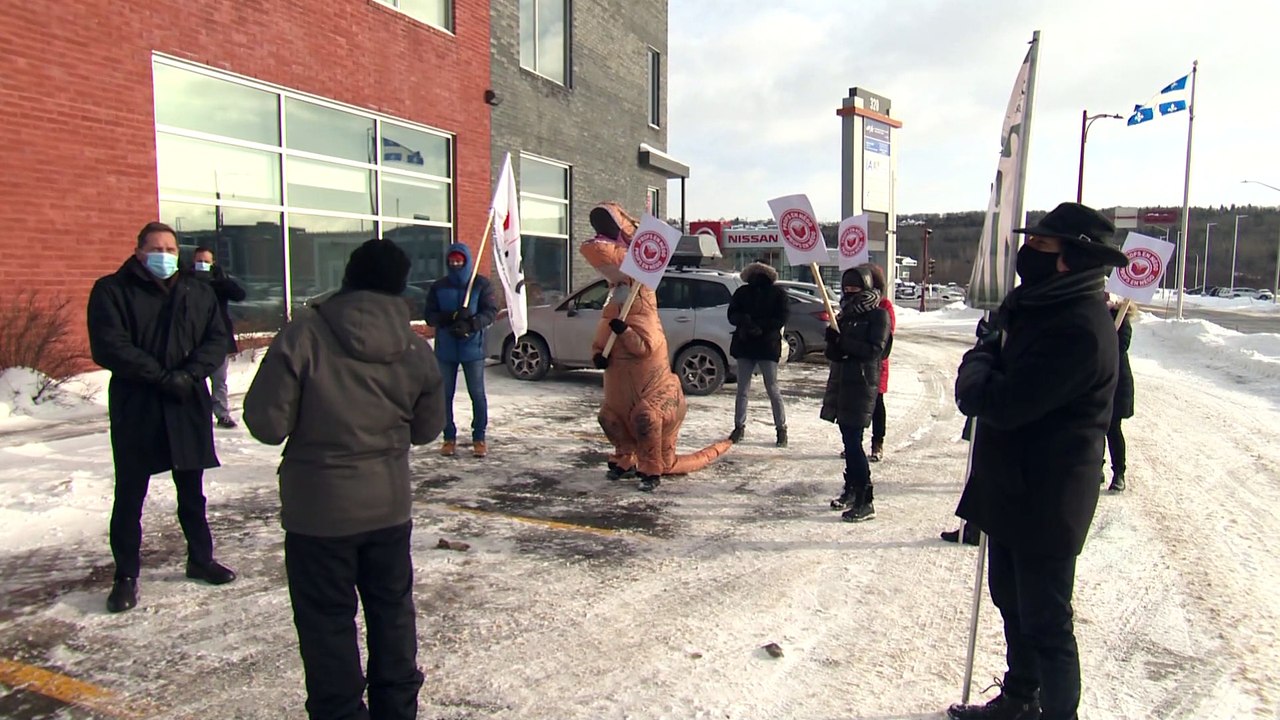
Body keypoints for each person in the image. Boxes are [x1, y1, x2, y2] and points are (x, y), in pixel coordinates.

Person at [243, 238, 444, 720]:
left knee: (327, 625)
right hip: (388, 508)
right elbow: (427, 429)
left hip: (318, 513)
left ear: (348, 278)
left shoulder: (303, 334)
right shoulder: (416, 349)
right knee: (392, 616)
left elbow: (266, 424)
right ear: (399, 286)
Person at [946, 202, 1128, 720]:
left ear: (1070, 259)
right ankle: (1021, 697)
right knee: (1011, 602)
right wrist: (991, 351)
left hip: (1048, 496)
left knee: (1047, 620)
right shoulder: (1039, 307)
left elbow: (997, 400)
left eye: (1042, 247)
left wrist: (979, 358)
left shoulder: (1080, 328)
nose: (1028, 253)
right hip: (1011, 485)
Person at [86, 221, 237, 614]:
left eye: (171, 250)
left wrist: (188, 375)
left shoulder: (197, 291)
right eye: (157, 249)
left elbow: (216, 339)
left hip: (186, 399)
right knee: (130, 494)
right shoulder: (112, 290)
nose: (165, 256)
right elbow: (109, 345)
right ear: (138, 252)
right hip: (138, 403)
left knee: (192, 491)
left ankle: (200, 559)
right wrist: (159, 376)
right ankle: (126, 575)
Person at [820, 266, 890, 522]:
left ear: (867, 288)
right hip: (841, 383)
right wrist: (833, 343)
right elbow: (836, 354)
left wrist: (845, 344)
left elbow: (874, 350)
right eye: (847, 288)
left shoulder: (878, 315)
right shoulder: (844, 315)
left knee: (853, 442)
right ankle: (851, 488)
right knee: (848, 440)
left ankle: (865, 497)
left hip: (861, 384)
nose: (850, 292)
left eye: (856, 288)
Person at [425, 243, 497, 458]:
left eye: (459, 261)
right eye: (452, 261)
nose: (455, 264)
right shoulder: (439, 287)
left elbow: (491, 311)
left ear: (466, 261)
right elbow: (430, 314)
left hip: (472, 348)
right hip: (446, 349)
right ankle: (449, 437)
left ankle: (479, 437)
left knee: (477, 394)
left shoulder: (480, 284)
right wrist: (449, 318)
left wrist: (471, 323)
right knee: (445, 395)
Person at [726, 259, 790, 447]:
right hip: (766, 344)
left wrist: (748, 323)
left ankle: (739, 427)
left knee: (743, 389)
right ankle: (781, 430)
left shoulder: (742, 292)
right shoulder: (778, 293)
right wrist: (760, 326)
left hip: (748, 342)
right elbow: (782, 318)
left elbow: (732, 315)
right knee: (772, 388)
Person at [192, 246, 246, 429]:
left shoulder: (219, 283)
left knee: (219, 379)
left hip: (217, 338)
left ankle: (222, 414)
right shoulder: (186, 281)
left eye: (206, 262)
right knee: (194, 379)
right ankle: (196, 415)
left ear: (213, 263)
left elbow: (239, 295)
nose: (202, 265)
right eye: (199, 261)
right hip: (192, 338)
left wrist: (223, 281)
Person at [863, 263, 896, 462]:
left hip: (876, 362)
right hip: (855, 362)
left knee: (876, 403)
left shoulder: (884, 306)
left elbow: (887, 335)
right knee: (855, 403)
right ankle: (853, 443)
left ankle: (877, 442)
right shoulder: (853, 303)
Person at [1105, 295, 1136, 492]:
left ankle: (1119, 473)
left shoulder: (1120, 319)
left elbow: (1121, 346)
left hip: (1116, 382)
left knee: (1113, 428)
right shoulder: (1092, 314)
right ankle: (1094, 469)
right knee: (1093, 429)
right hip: (1093, 381)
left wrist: (1105, 340)